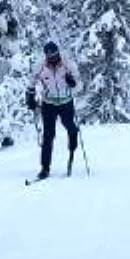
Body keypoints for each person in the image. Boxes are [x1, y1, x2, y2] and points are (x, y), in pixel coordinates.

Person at [25, 41, 79, 179]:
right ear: (46, 56)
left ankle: (72, 145)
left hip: (66, 102)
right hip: (49, 103)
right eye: (49, 57)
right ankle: (45, 168)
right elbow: (31, 81)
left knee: (69, 126)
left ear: (58, 53)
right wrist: (30, 96)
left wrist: (72, 82)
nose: (53, 59)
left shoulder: (68, 64)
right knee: (48, 135)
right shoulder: (40, 66)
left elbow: (79, 84)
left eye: (55, 55)